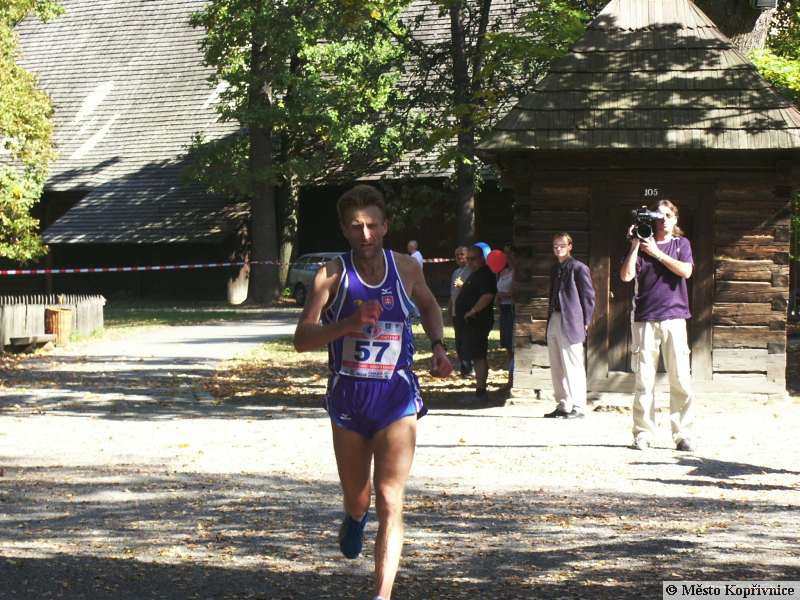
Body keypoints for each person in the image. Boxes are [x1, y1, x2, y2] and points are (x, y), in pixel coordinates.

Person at [293, 184, 452, 600]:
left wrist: (439, 346)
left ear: (385, 226)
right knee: (359, 497)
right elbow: (302, 338)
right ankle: (353, 516)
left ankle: (382, 595)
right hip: (349, 398)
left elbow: (430, 305)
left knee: (390, 497)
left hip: (396, 396)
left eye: (372, 226)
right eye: (356, 226)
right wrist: (347, 324)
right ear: (344, 229)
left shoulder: (407, 268)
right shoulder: (331, 274)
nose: (365, 235)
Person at [619, 199, 695, 452]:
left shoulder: (681, 244)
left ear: (675, 219)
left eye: (667, 216)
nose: (663, 221)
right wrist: (635, 245)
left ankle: (683, 434)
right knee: (644, 380)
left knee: (681, 378)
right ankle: (643, 433)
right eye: (658, 217)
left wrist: (657, 254)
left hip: (675, 317)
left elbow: (686, 271)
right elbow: (626, 276)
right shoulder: (641, 245)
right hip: (645, 319)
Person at [544, 233, 596, 419]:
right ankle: (563, 404)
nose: (558, 249)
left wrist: (586, 321)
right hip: (555, 318)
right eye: (555, 246)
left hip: (572, 321)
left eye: (562, 245)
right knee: (556, 365)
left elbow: (588, 297)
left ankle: (579, 406)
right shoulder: (555, 268)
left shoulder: (578, 268)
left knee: (573, 364)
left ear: (570, 246)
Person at [454, 244, 497, 403]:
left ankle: (481, 391)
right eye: (468, 259)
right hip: (470, 322)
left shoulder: (485, 274)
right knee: (475, 355)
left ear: (481, 258)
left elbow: (487, 295)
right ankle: (479, 389)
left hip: (478, 322)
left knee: (479, 355)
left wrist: (473, 311)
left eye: (473, 259)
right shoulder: (475, 273)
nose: (469, 262)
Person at [448, 245, 473, 376]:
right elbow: (452, 293)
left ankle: (469, 367)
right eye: (457, 255)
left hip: (467, 311)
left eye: (462, 254)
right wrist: (449, 309)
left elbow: (475, 290)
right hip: (455, 311)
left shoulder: (472, 271)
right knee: (458, 341)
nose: (459, 257)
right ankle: (463, 367)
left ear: (467, 255)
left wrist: (463, 285)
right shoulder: (455, 272)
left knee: (467, 340)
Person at [496, 244, 515, 388]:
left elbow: (516, 292)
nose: (507, 256)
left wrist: (503, 295)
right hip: (503, 309)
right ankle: (510, 378)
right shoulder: (503, 272)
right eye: (505, 253)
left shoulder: (517, 272)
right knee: (507, 345)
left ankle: (514, 379)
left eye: (510, 253)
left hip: (513, 308)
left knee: (514, 345)